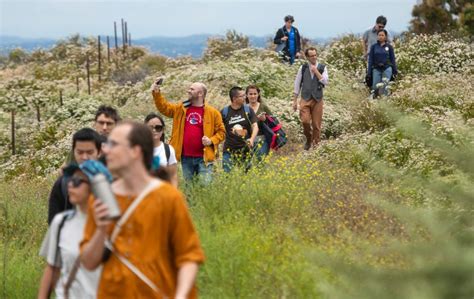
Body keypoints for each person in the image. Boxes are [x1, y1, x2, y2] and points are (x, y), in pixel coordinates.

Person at [80, 121, 205, 298]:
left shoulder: (168, 197)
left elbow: (189, 257)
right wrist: (101, 229)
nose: (105, 150)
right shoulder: (100, 199)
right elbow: (88, 262)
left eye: (114, 144)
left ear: (135, 151)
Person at [38, 162, 102, 299]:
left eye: (78, 181)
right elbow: (52, 268)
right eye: (70, 180)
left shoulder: (113, 226)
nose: (70, 185)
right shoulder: (61, 222)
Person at [151, 79, 225, 184]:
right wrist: (156, 93)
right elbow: (164, 108)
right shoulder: (181, 108)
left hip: (204, 158)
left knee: (205, 187)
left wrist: (211, 140)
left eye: (192, 89)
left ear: (200, 93)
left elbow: (222, 132)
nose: (188, 91)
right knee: (190, 189)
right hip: (186, 157)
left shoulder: (213, 113)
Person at [47, 128, 102, 224]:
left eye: (90, 152)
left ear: (99, 152)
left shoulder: (111, 181)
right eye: (80, 152)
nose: (84, 157)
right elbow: (53, 223)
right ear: (73, 152)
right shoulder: (63, 184)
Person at [293, 47, 329, 150]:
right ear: (307, 57)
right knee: (305, 121)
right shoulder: (303, 68)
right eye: (311, 56)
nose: (314, 57)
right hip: (305, 98)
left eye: (315, 55)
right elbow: (297, 84)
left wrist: (316, 72)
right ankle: (308, 139)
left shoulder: (322, 67)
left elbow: (326, 82)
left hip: (317, 99)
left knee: (316, 125)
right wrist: (294, 101)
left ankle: (316, 146)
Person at [221, 86, 259, 172]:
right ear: (234, 99)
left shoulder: (248, 109)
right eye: (242, 96)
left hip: (245, 149)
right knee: (227, 175)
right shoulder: (224, 112)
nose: (245, 97)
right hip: (229, 149)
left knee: (245, 176)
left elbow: (255, 126)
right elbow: (218, 129)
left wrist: (252, 139)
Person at [144, 112, 178, 187]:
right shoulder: (139, 149)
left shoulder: (168, 149)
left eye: (158, 128)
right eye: (150, 128)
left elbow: (173, 175)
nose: (154, 130)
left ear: (163, 130)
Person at [367, 29, 397, 98]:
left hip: (387, 68)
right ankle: (374, 101)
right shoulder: (374, 47)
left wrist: (395, 71)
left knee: (385, 87)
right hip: (376, 69)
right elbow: (370, 60)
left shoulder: (389, 47)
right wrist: (369, 72)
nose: (380, 36)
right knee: (375, 86)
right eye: (379, 35)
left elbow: (393, 60)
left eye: (382, 35)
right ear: (377, 36)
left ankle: (385, 101)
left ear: (385, 37)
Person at [245, 85, 272, 158]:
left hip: (263, 140)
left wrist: (265, 119)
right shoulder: (243, 108)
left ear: (258, 94)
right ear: (246, 95)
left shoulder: (263, 106)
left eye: (255, 94)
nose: (253, 96)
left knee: (261, 164)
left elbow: (273, 122)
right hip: (247, 140)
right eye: (250, 94)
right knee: (247, 165)